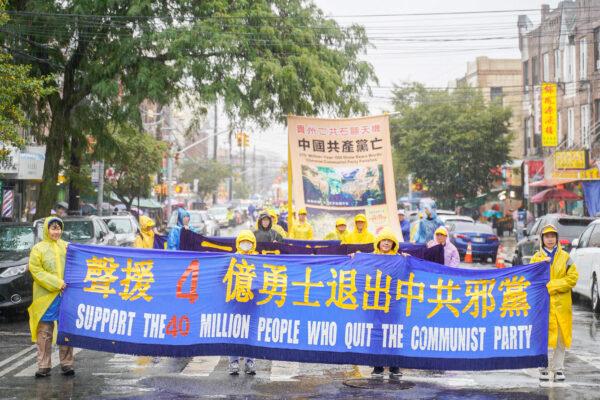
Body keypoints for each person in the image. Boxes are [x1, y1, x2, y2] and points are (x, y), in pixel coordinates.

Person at [530, 224, 579, 382]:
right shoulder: (536, 257)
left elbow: (572, 278)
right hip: (542, 305)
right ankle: (543, 368)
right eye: (547, 236)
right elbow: (531, 279)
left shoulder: (565, 257)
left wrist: (552, 286)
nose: (550, 239)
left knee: (560, 338)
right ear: (542, 239)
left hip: (561, 304)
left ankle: (558, 369)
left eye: (552, 236)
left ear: (557, 238)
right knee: (542, 337)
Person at [28, 217, 74, 377]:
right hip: (46, 297)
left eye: (59, 228)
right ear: (47, 229)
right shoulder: (38, 249)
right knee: (44, 332)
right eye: (53, 228)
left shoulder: (67, 247)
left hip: (66, 295)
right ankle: (43, 365)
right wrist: (56, 283)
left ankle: (67, 364)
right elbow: (36, 271)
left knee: (66, 330)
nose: (57, 231)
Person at [371, 228, 402, 378]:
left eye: (389, 241)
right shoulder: (370, 258)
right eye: (384, 240)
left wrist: (407, 259)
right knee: (377, 333)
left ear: (393, 244)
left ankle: (394, 366)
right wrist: (354, 257)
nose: (386, 243)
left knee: (393, 333)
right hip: (375, 302)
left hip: (393, 302)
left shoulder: (399, 258)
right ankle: (377, 367)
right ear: (378, 242)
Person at [228, 230, 258, 375]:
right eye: (242, 242)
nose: (246, 245)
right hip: (235, 302)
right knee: (234, 332)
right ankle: (233, 362)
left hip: (251, 303)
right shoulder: (232, 259)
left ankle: (249, 362)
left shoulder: (259, 260)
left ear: (253, 243)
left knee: (250, 333)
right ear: (238, 243)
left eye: (249, 242)